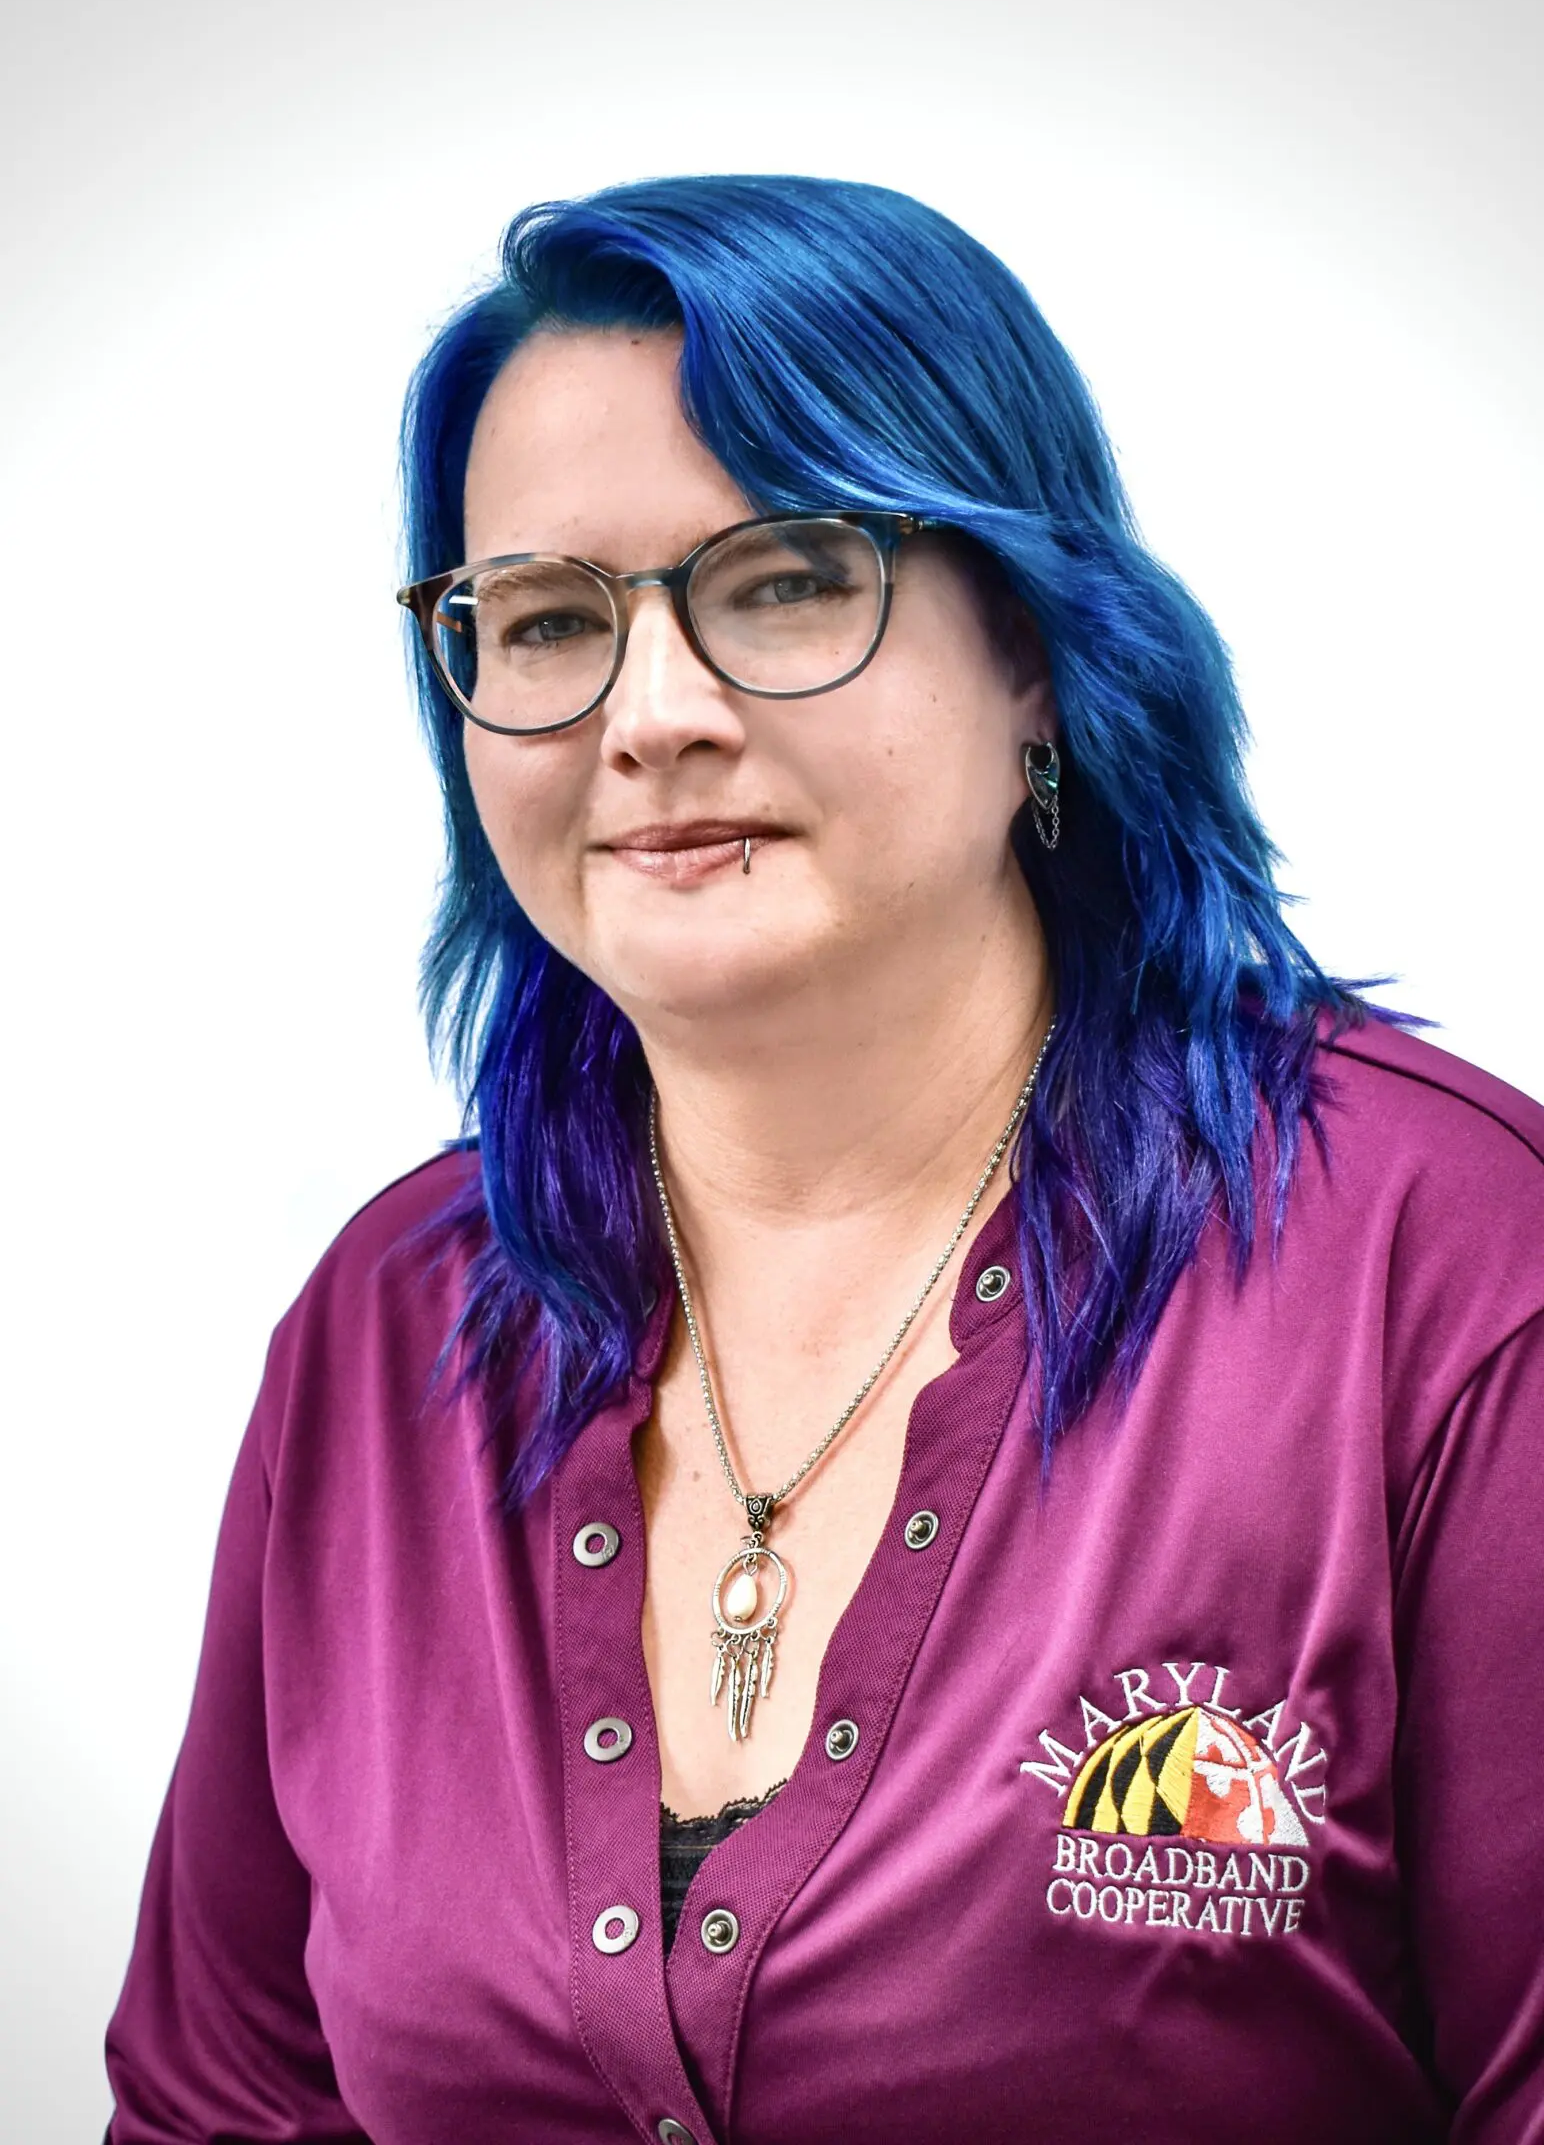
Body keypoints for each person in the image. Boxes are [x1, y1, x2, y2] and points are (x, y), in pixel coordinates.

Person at [103, 173, 1544, 2144]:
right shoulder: (387, 1324)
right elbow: (222, 2109)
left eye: (781, 581)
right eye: (543, 620)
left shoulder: (1448, 1274)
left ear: (1033, 649)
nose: (653, 716)